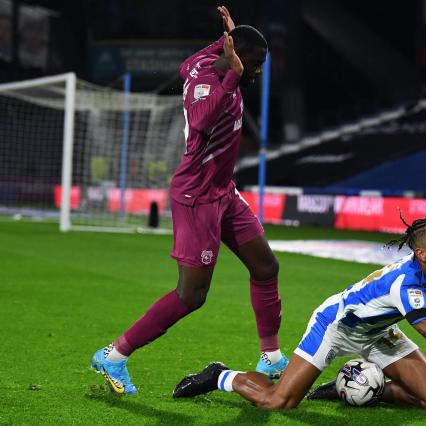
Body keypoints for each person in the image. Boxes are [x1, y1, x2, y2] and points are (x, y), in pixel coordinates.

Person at [172, 216, 426, 409]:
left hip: (378, 331)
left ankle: (346, 387)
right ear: (420, 251)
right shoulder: (405, 285)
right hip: (336, 327)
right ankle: (220, 375)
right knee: (279, 402)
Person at [91, 7, 288, 395]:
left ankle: (271, 356)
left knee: (266, 266)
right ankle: (113, 355)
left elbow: (186, 64)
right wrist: (232, 72)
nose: (259, 71)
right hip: (196, 197)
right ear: (237, 61)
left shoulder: (201, 64)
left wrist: (225, 39)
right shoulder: (211, 85)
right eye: (257, 64)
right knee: (191, 295)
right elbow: (199, 120)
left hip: (223, 192)